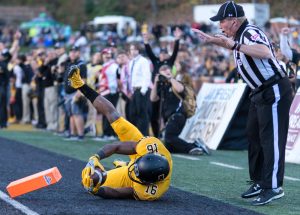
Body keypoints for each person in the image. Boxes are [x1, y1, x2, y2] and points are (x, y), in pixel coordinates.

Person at [192, 1, 293, 206]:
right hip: (259, 92)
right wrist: (213, 40)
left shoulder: (249, 32)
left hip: (273, 89)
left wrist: (234, 45)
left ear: (234, 21)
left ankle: (272, 186)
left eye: (222, 21)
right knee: (253, 135)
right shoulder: (238, 36)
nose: (220, 25)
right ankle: (259, 181)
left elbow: (265, 52)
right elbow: (230, 44)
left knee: (270, 139)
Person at [68, 65, 172, 200]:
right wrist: (96, 157)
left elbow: (120, 193)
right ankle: (80, 84)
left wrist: (95, 191)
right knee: (116, 119)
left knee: (89, 180)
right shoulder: (151, 146)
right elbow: (117, 147)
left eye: (136, 171)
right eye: (135, 168)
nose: (134, 172)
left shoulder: (150, 192)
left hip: (133, 177)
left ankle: (122, 167)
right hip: (139, 151)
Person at [150, 65, 207, 155]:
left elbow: (180, 89)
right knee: (169, 146)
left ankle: (194, 148)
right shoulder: (162, 87)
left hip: (178, 115)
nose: (165, 71)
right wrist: (155, 83)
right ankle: (195, 145)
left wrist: (170, 78)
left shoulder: (176, 82)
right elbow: (153, 98)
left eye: (167, 69)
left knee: (169, 137)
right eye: (163, 70)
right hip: (169, 118)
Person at [143, 27, 181, 137]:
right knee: (153, 114)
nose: (163, 55)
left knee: (166, 113)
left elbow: (175, 52)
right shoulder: (156, 62)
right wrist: (146, 42)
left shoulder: (170, 62)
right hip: (156, 89)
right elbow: (149, 53)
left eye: (165, 53)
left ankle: (166, 134)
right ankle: (156, 135)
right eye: (161, 53)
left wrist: (177, 39)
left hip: (167, 89)